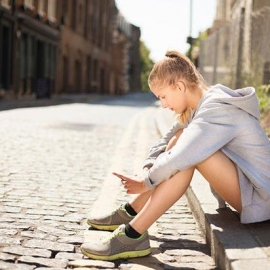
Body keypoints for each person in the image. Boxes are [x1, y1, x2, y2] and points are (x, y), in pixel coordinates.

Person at [80, 50, 270, 261]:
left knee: (186, 157)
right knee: (180, 139)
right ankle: (132, 210)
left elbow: (180, 156)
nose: (162, 104)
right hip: (249, 190)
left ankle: (132, 235)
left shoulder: (217, 108)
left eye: (163, 96)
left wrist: (146, 182)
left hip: (261, 197)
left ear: (179, 86)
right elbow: (166, 140)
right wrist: (149, 167)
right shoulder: (198, 106)